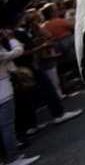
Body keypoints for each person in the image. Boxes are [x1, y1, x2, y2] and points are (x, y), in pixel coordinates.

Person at [0, 29, 38, 165]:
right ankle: (14, 158)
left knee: (4, 127)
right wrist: (11, 39)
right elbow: (17, 52)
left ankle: (7, 157)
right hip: (3, 92)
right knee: (7, 126)